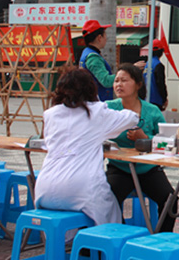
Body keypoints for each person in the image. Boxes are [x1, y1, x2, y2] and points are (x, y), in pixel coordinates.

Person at [34, 67, 139, 226]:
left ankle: (69, 240)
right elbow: (132, 118)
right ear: (91, 89)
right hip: (81, 188)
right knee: (110, 216)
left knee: (67, 224)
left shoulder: (50, 114)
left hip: (45, 187)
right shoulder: (96, 112)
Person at [105, 63, 177, 232]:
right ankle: (121, 236)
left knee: (170, 199)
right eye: (116, 81)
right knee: (107, 199)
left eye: (124, 80)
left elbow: (168, 142)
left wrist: (145, 138)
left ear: (138, 84)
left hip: (148, 170)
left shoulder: (152, 111)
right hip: (120, 168)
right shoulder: (109, 108)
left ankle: (161, 239)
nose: (119, 85)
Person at [79, 20, 115, 101]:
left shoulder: (86, 52)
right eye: (105, 35)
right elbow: (106, 81)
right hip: (98, 102)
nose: (106, 39)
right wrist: (125, 75)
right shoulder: (93, 58)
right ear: (99, 38)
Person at [144, 39, 168, 111]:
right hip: (156, 100)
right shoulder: (158, 65)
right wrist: (164, 98)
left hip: (146, 99)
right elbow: (161, 83)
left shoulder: (147, 64)